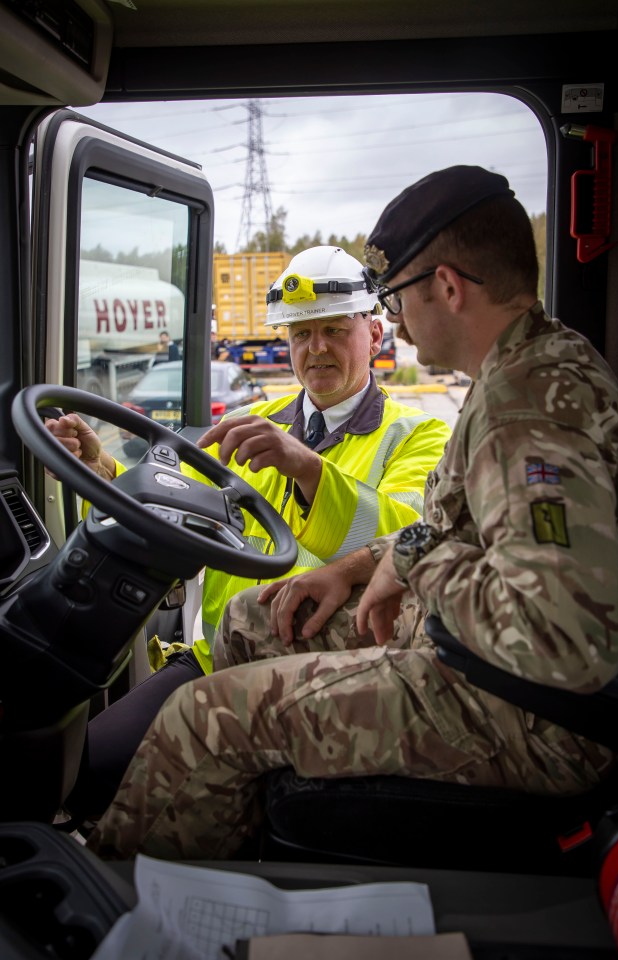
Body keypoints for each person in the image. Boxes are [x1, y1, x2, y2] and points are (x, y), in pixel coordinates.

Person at [85, 165, 618, 863]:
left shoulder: (527, 413)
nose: (397, 321)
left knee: (206, 718)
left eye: (397, 296)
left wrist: (418, 564)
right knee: (256, 616)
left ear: (447, 286)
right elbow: (447, 526)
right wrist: (362, 566)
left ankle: (123, 896)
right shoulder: (514, 372)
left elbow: (562, 642)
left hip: (532, 712)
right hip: (478, 653)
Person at [47, 244, 450, 818]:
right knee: (79, 775)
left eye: (335, 330)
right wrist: (105, 470)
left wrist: (307, 469)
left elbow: (403, 537)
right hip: (219, 660)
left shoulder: (417, 435)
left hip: (330, 677)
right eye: (301, 335)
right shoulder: (262, 418)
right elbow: (175, 487)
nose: (317, 349)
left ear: (375, 337)